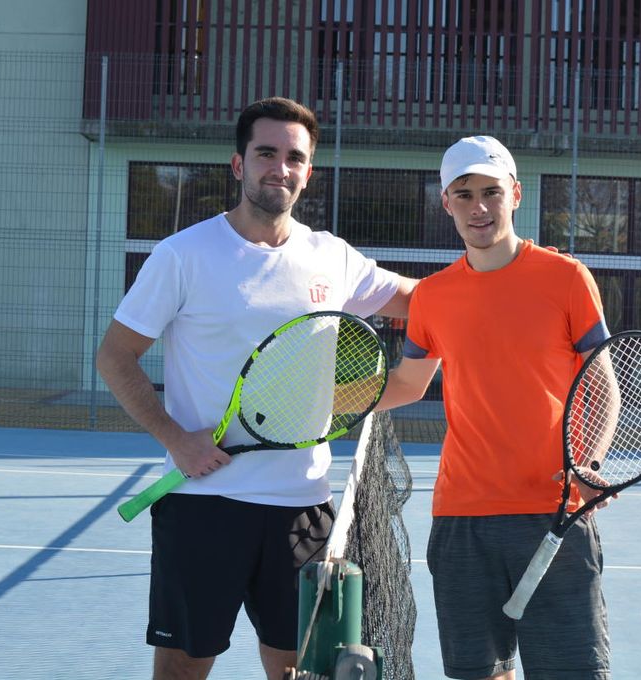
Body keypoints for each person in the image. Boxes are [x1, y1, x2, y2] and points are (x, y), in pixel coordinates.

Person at [96, 96, 416, 680]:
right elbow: (115, 357)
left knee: (298, 670)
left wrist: (510, 274)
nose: (281, 167)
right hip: (202, 507)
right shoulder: (183, 256)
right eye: (266, 153)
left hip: (303, 505)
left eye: (295, 157)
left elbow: (427, 303)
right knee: (180, 669)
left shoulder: (332, 258)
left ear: (308, 171)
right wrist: (177, 439)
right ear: (238, 164)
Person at [376, 135, 613, 680]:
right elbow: (408, 383)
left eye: (490, 192)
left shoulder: (566, 277)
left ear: (515, 194)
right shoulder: (432, 296)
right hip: (462, 518)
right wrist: (328, 403)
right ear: (446, 203)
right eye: (464, 194)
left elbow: (601, 383)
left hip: (553, 511)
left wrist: (590, 463)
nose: (478, 207)